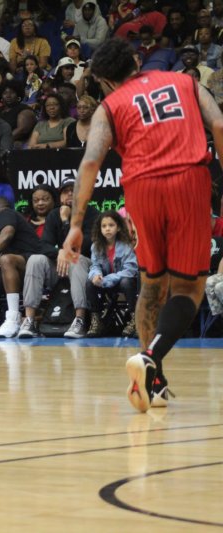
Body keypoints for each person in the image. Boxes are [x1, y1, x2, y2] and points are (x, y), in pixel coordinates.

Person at [62, 38, 223, 412]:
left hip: (141, 190)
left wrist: (76, 225)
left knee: (152, 284)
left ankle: (153, 381)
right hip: (188, 181)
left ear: (104, 80)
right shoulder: (185, 82)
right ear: (136, 62)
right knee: (189, 289)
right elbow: (218, 123)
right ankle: (150, 357)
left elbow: (90, 163)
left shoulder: (109, 106)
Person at [0, 196, 55, 337]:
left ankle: (13, 319)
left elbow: (7, 235)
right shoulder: (0, 226)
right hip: (13, 274)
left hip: (35, 269)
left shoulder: (6, 213)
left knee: (7, 260)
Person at [18, 177, 98, 339]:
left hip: (85, 267)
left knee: (77, 260)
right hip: (61, 267)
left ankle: (80, 320)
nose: (69, 194)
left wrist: (66, 222)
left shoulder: (92, 213)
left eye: (73, 191)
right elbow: (43, 245)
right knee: (35, 260)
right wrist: (59, 252)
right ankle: (29, 320)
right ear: (60, 197)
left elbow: (84, 245)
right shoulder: (54, 214)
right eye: (65, 192)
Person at [85, 210, 139, 337]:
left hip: (122, 281)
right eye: (104, 226)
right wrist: (96, 276)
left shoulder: (126, 246)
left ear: (118, 227)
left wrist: (107, 279)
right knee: (89, 283)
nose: (107, 229)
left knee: (126, 282)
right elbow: (95, 265)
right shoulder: (95, 246)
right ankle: (97, 320)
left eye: (111, 225)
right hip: (104, 282)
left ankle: (135, 319)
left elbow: (130, 270)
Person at [0, 80, 37, 147]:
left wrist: (0, 141)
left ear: (18, 95)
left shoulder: (24, 109)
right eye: (5, 93)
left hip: (17, 145)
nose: (8, 96)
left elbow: (21, 130)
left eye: (12, 93)